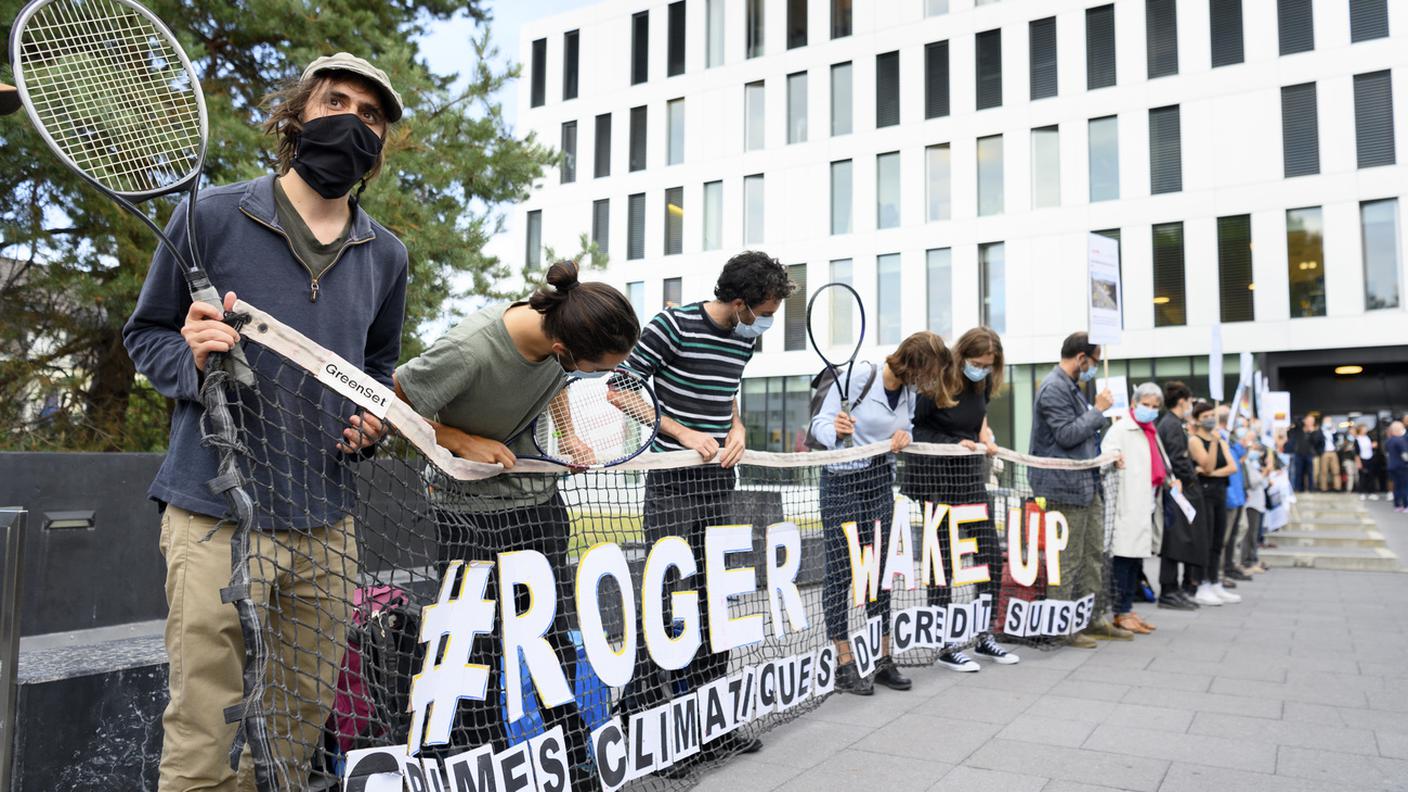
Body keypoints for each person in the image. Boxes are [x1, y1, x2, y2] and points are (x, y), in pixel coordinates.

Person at [123, 54, 409, 790]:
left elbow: (377, 371)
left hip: (327, 520)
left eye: (371, 115)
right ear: (297, 117)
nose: (352, 120)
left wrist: (370, 420)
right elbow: (147, 335)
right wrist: (188, 355)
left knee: (298, 718)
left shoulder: (389, 256)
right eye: (335, 101)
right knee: (207, 724)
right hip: (215, 511)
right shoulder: (209, 215)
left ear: (382, 144)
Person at [392, 260, 640, 778]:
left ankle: (573, 761)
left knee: (550, 636)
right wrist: (460, 440)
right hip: (467, 517)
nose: (596, 377)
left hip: (539, 509)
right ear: (564, 350)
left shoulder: (561, 340)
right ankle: (484, 764)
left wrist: (568, 436)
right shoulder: (471, 348)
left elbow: (557, 386)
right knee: (475, 647)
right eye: (595, 368)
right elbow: (394, 400)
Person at [616, 251, 796, 762]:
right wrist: (681, 432)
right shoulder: (671, 325)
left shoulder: (745, 338)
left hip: (719, 480)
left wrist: (736, 429)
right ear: (739, 303)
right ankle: (653, 729)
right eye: (763, 312)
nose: (765, 322)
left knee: (712, 600)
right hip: (671, 482)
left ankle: (711, 723)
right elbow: (619, 390)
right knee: (667, 600)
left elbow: (728, 391)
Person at [813, 331, 951, 693]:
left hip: (878, 480)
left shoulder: (908, 391)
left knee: (879, 572)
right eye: (932, 372)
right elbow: (819, 425)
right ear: (916, 364)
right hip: (842, 480)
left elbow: (902, 428)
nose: (934, 381)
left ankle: (882, 657)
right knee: (841, 572)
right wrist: (837, 429)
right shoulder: (860, 376)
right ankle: (843, 662)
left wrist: (904, 436)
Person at [906, 326, 1021, 671]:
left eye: (988, 365)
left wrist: (985, 436)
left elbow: (978, 418)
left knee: (989, 555)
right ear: (962, 356)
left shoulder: (981, 382)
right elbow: (915, 430)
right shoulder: (937, 379)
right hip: (937, 481)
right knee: (943, 562)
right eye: (977, 363)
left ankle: (985, 635)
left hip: (970, 478)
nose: (982, 369)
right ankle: (944, 643)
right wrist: (952, 444)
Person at [1028, 332, 1130, 647]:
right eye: (1094, 361)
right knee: (1068, 558)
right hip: (1064, 486)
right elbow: (1068, 435)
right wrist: (1098, 411)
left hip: (1086, 483)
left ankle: (1092, 617)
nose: (1095, 368)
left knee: (1093, 554)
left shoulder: (1071, 387)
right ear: (1081, 358)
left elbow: (1082, 439)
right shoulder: (1053, 388)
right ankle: (1063, 625)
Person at [1100, 383, 1171, 635]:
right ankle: (1120, 611)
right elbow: (1106, 456)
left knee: (1135, 560)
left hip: (1144, 503)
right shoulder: (1120, 429)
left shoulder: (1149, 431)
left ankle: (1128, 609)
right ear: (1134, 404)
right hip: (1125, 505)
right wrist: (1114, 458)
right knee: (1123, 559)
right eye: (1146, 405)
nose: (1150, 410)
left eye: (1155, 407)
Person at [1188, 401, 1241, 605]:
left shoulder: (1220, 439)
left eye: (1212, 414)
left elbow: (1231, 467)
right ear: (1197, 420)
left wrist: (1212, 472)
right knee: (1206, 539)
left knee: (1219, 539)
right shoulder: (1195, 440)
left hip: (1220, 491)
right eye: (1205, 416)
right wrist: (1212, 447)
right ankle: (1202, 583)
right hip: (1204, 493)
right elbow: (1207, 465)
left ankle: (1214, 581)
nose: (1210, 419)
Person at [1155, 381, 1203, 611]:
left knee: (1177, 540)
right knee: (1174, 541)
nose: (1190, 406)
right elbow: (1177, 458)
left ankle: (1172, 589)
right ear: (1182, 401)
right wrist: (1191, 476)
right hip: (1177, 488)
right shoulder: (1172, 424)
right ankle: (1168, 590)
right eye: (1190, 402)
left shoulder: (1172, 423)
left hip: (1176, 487)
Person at [1222, 422, 1251, 583]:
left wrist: (1242, 444)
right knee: (1225, 538)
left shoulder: (1233, 445)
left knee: (1234, 534)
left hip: (1237, 495)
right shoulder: (1223, 442)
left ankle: (1229, 566)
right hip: (1230, 496)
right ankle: (1221, 572)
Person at [1240, 437, 1270, 574]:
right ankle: (1247, 560)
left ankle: (1253, 558)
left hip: (1258, 502)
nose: (1258, 452)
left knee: (1255, 533)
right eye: (1255, 449)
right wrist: (1264, 473)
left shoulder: (1255, 463)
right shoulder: (1247, 463)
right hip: (1251, 503)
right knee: (1250, 533)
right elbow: (1253, 481)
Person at [1287, 415, 1317, 492]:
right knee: (1298, 472)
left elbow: (1317, 442)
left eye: (1312, 421)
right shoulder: (1299, 428)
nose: (1310, 423)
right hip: (1299, 453)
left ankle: (1311, 489)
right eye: (1308, 421)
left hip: (1309, 454)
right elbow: (1295, 420)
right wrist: (1303, 421)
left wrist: (1312, 432)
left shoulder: (1315, 430)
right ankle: (1299, 488)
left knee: (1310, 472)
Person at [1316, 416, 1341, 492]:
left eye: (1329, 421)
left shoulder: (1333, 431)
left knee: (1336, 471)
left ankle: (1337, 487)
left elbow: (1336, 439)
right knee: (1324, 471)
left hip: (1333, 452)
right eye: (1327, 421)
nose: (1328, 422)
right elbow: (1317, 441)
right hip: (1324, 452)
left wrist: (1333, 431)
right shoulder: (1320, 431)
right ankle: (1323, 488)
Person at [1388, 422, 1408, 512]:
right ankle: (1406, 505)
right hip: (1401, 467)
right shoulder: (1400, 440)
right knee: (1404, 486)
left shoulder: (1389, 441)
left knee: (1397, 486)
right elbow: (1405, 455)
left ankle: (1397, 505)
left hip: (1392, 466)